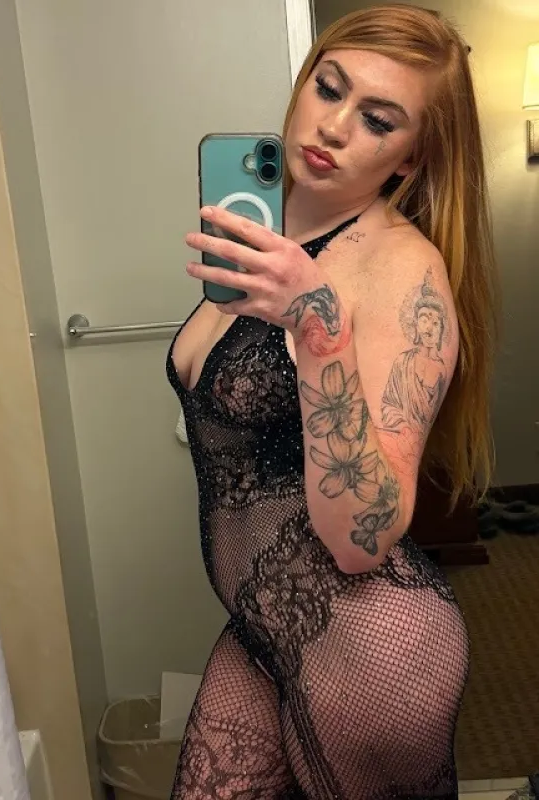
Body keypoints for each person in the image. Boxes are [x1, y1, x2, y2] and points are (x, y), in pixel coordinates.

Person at [166, 4, 499, 798]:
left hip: (371, 647)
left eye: (377, 120)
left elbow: (363, 538)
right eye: (329, 87)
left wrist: (320, 330)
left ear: (409, 160)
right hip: (266, 629)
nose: (335, 126)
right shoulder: (268, 239)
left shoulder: (401, 272)